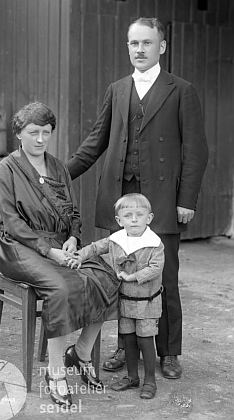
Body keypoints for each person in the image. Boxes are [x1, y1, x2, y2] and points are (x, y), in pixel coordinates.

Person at [67, 17, 209, 379]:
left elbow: (196, 150)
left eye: (147, 43)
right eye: (134, 43)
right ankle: (123, 348)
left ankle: (169, 353)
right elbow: (96, 141)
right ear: (127, 47)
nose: (140, 50)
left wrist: (186, 199)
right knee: (118, 278)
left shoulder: (181, 90)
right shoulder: (117, 89)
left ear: (161, 46)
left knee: (165, 279)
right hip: (120, 200)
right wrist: (60, 173)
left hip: (162, 201)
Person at [0, 102, 120, 409]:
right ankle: (56, 372)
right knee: (60, 287)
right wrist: (49, 251)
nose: (39, 139)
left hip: (58, 243)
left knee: (107, 276)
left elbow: (72, 211)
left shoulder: (59, 167)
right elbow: (11, 222)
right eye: (32, 132)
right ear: (19, 134)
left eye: (45, 133)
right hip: (17, 246)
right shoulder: (5, 170)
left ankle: (82, 353)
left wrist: (74, 238)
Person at [67, 194, 164, 399]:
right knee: (127, 339)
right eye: (128, 215)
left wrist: (132, 276)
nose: (135, 219)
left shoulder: (154, 243)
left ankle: (149, 380)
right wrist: (79, 255)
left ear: (149, 217)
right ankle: (132, 377)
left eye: (140, 214)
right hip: (125, 301)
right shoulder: (116, 240)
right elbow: (95, 248)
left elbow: (156, 268)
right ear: (120, 221)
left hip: (147, 302)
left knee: (145, 340)